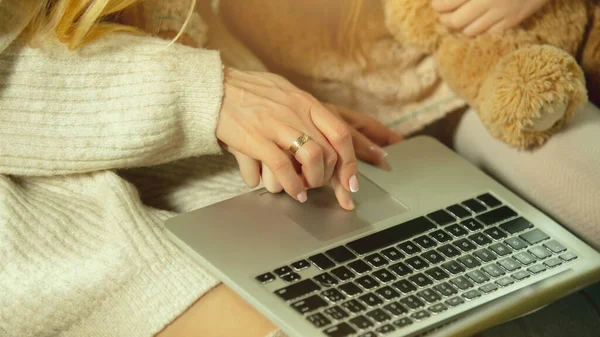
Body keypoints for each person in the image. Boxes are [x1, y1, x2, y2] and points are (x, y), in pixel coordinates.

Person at [0, 0, 403, 336]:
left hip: (163, 144)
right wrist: (209, 93)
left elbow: (175, 18)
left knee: (389, 293)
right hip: (35, 214)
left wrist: (275, 107)